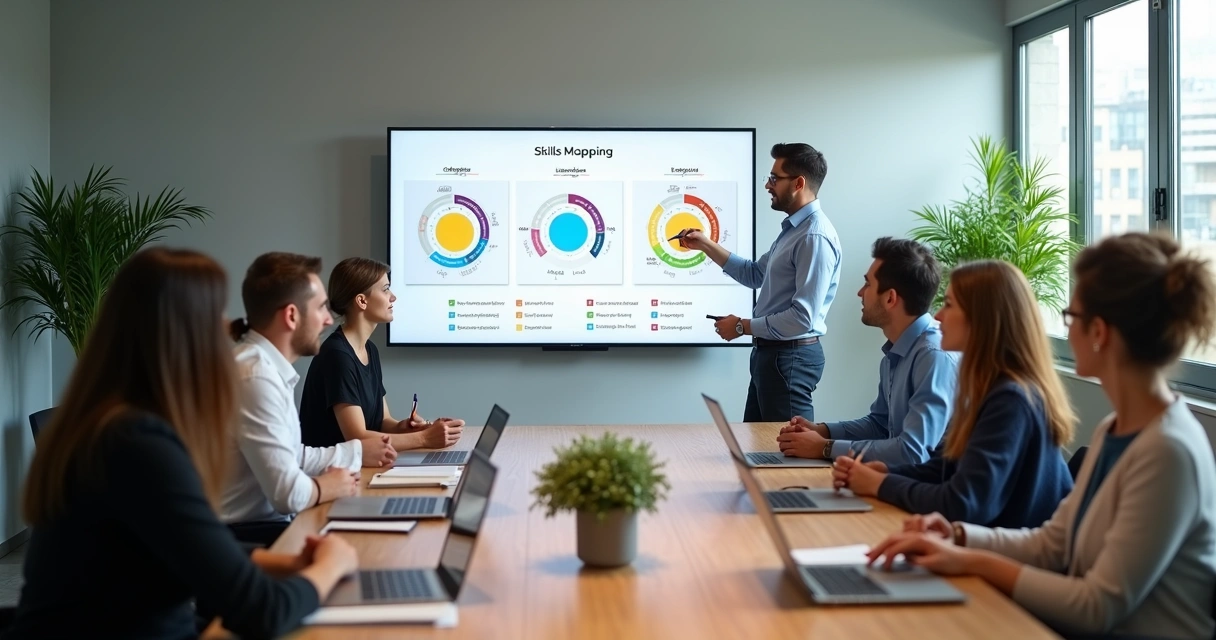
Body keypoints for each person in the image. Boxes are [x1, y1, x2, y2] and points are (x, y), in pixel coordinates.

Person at [868, 233, 1216, 639]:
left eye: (1072, 319)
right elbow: (1053, 543)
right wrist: (957, 535)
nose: (1066, 332)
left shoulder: (1168, 450)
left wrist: (969, 559)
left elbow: (1095, 607)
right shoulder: (1114, 429)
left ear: (1099, 332)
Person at [2, 248, 357, 639]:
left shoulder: (108, 423)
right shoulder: (138, 444)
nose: (227, 325)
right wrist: (331, 565)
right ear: (184, 334)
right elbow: (264, 612)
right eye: (214, 315)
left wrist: (286, 563)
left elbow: (184, 543)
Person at [833, 260, 1074, 529]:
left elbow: (963, 503)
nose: (937, 316)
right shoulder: (989, 388)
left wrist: (881, 484)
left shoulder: (1011, 400)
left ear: (981, 319)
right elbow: (948, 468)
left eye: (949, 304)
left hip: (1005, 561)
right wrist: (889, 473)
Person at [222, 252, 397, 547]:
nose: (329, 319)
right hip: (248, 538)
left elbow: (294, 456)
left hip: (266, 527)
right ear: (292, 316)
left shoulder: (265, 368)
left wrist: (354, 455)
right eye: (320, 308)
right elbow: (287, 494)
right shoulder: (255, 377)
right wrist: (327, 485)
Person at [678, 143, 842, 422]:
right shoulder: (794, 230)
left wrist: (742, 326)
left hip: (789, 359)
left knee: (791, 456)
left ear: (799, 183)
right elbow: (755, 274)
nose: (768, 185)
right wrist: (705, 245)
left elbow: (802, 318)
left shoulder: (814, 237)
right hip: (773, 357)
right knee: (758, 448)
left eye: (775, 178)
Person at [776, 237, 957, 465]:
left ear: (890, 298)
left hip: (928, 492)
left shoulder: (933, 356)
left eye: (867, 284)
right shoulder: (897, 350)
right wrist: (822, 431)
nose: (860, 293)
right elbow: (880, 425)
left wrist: (824, 448)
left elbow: (912, 452)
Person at [300, 257, 464, 449]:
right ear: (362, 301)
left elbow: (383, 422)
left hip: (358, 468)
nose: (393, 297)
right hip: (330, 473)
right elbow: (357, 438)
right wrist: (425, 439)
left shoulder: (370, 350)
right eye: (386, 289)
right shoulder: (337, 356)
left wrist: (410, 428)